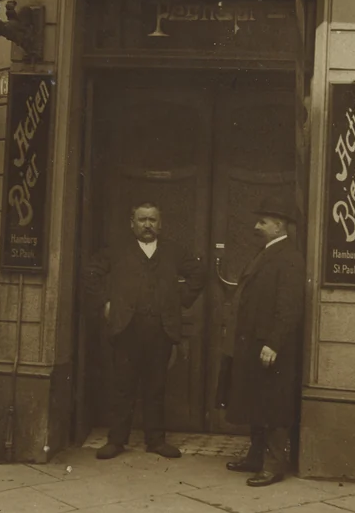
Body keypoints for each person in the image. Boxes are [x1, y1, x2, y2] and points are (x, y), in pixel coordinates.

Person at [84, 202, 204, 460]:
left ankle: (156, 441)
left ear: (160, 224)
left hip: (160, 330)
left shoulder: (173, 251)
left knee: (156, 387)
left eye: (152, 220)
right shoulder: (116, 251)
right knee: (122, 387)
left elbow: (198, 275)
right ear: (132, 224)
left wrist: (179, 300)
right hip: (126, 329)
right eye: (142, 220)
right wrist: (105, 303)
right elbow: (91, 274)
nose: (147, 225)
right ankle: (116, 441)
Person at [224, 195, 305, 487]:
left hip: (271, 347)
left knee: (273, 407)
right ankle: (255, 458)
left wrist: (274, 343)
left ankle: (273, 466)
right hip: (253, 343)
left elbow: (290, 306)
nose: (256, 226)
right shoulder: (266, 252)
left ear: (279, 225)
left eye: (263, 221)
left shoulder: (289, 258)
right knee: (256, 402)